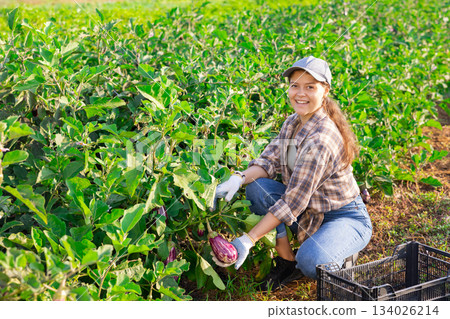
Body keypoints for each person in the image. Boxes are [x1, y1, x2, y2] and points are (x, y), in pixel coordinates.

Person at [211, 56, 373, 291]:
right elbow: (270, 162)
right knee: (257, 187)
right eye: (295, 85)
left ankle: (341, 255)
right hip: (308, 212)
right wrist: (238, 178)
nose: (300, 93)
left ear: (325, 90)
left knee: (311, 262)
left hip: (343, 217)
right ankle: (286, 259)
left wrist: (248, 239)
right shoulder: (293, 122)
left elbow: (293, 200)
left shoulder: (321, 139)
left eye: (310, 87)